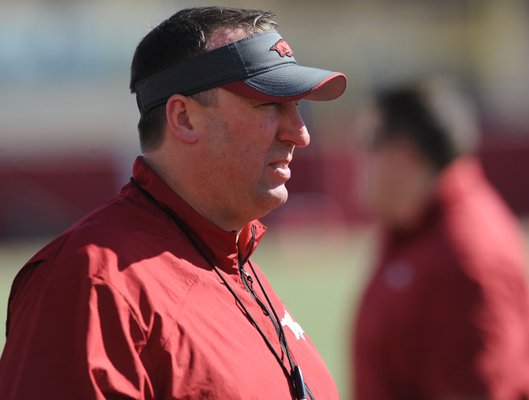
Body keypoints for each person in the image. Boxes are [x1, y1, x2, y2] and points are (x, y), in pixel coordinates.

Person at [0, 6, 346, 399]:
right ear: (183, 118)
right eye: (269, 104)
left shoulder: (232, 260)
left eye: (298, 106)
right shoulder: (95, 283)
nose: (300, 135)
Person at [352, 79, 529, 400]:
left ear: (404, 154)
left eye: (368, 143)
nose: (358, 159)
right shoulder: (416, 227)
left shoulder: (464, 252)